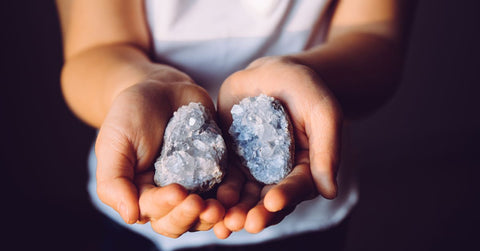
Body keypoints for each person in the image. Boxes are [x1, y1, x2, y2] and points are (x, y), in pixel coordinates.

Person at [56, 0, 416, 250]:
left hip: (305, 219)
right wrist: (141, 87)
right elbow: (96, 50)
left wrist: (307, 76)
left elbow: (377, 41)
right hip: (140, 213)